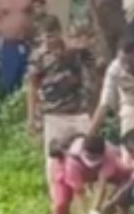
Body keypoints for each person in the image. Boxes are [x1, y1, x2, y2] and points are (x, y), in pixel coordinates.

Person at [28, 16, 92, 173]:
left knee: (85, 153)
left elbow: (94, 68)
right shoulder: (39, 56)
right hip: (53, 113)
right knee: (54, 159)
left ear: (59, 33)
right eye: (43, 37)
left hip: (78, 111)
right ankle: (57, 193)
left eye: (50, 35)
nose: (47, 40)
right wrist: (31, 117)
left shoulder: (75, 52)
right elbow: (32, 86)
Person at [49, 135, 132, 214]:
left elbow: (102, 185)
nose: (92, 160)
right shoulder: (71, 160)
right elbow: (79, 192)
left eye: (95, 158)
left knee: (126, 175)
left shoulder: (109, 155)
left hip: (95, 172)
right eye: (89, 157)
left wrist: (94, 211)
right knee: (61, 203)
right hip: (67, 171)